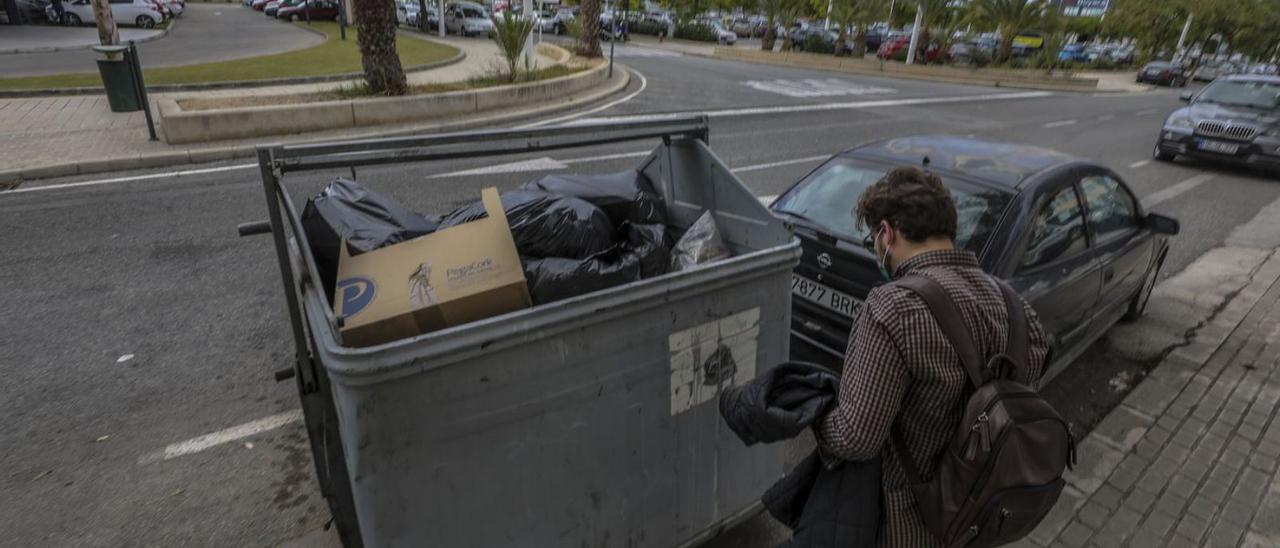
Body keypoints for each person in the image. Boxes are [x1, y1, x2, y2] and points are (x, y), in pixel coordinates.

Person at [814, 166, 1050, 547]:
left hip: (913, 525)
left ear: (887, 233)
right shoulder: (1014, 305)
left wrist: (815, 417)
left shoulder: (891, 308)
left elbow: (856, 437)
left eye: (873, 239)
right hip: (983, 516)